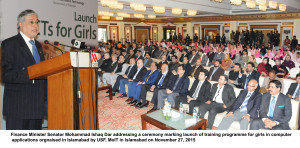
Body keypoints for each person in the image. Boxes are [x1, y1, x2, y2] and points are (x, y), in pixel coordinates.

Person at [2, 9, 47, 130]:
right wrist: (30, 74)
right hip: (18, 108)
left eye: (37, 22)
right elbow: (5, 74)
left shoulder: (38, 46)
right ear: (21, 24)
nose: (35, 25)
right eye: (31, 22)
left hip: (37, 107)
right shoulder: (9, 44)